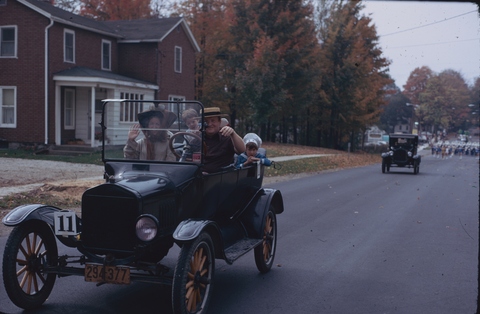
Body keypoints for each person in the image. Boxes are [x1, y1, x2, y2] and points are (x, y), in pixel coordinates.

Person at [201, 107, 245, 173]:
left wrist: (233, 133)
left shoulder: (226, 137)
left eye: (213, 121)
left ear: (219, 122)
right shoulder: (197, 139)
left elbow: (242, 150)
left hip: (221, 179)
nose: (209, 124)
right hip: (197, 178)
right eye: (206, 122)